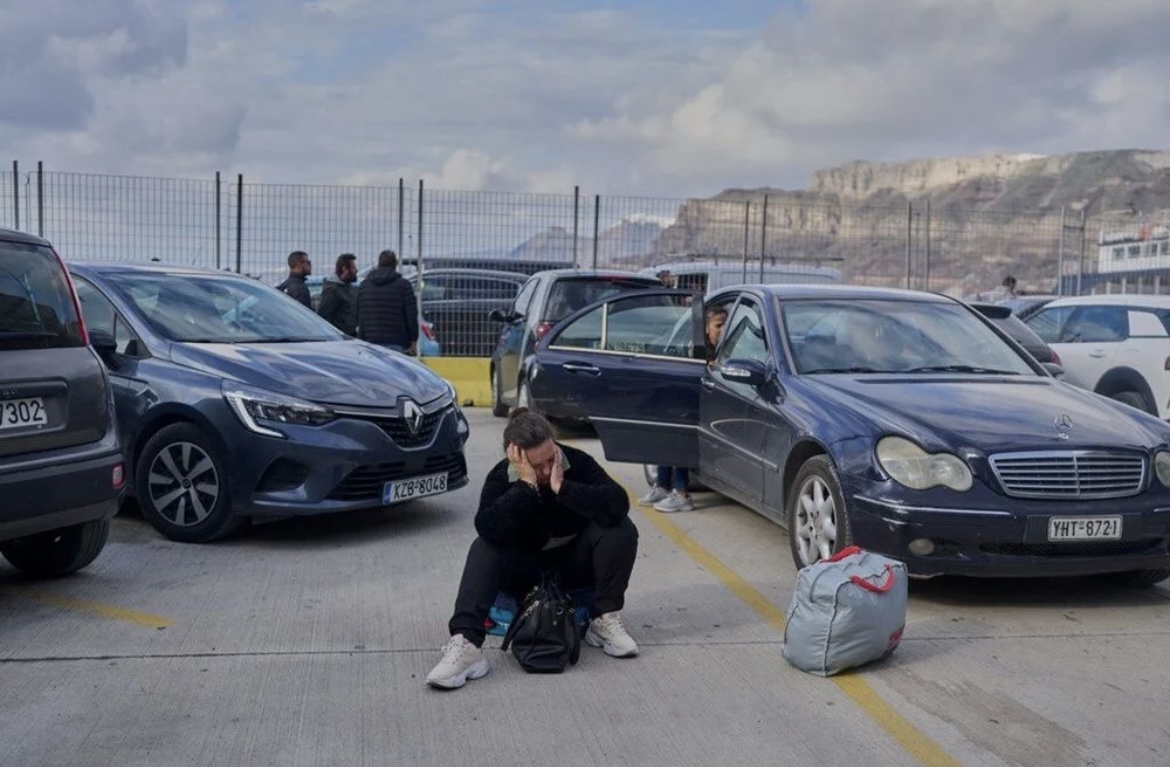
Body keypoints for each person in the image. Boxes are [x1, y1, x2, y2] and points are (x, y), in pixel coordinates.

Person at [426, 408, 640, 690]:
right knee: (484, 547)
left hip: (572, 567)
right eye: (536, 466)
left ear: (555, 443)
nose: (547, 470)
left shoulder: (576, 462)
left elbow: (617, 503)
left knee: (620, 528)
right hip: (525, 572)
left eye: (551, 459)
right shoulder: (502, 477)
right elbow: (488, 527)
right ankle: (467, 645)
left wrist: (564, 489)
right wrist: (526, 488)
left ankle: (604, 621)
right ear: (515, 458)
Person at [640, 306, 728, 513]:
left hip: (709, 410)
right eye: (718, 325)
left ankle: (681, 493)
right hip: (692, 404)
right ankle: (662, 486)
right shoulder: (696, 349)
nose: (722, 330)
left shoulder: (726, 351)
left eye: (725, 325)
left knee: (680, 435)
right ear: (705, 328)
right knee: (667, 428)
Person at [356, 249, 418, 353]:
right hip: (397, 341)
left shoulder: (364, 286)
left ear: (379, 264)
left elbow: (359, 314)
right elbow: (411, 314)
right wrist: (413, 338)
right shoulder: (404, 285)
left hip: (370, 341)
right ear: (395, 265)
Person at [317, 253, 359, 335]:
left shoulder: (350, 288)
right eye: (353, 267)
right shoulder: (332, 291)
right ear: (345, 269)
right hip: (340, 337)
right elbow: (323, 316)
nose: (357, 270)